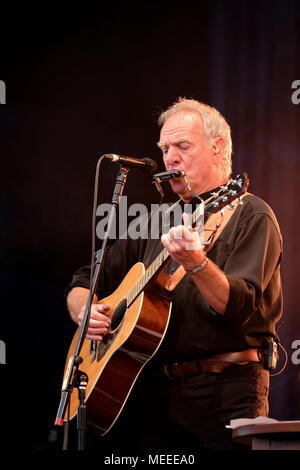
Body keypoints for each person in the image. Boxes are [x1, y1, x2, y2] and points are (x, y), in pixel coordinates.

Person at [65, 98, 283, 451]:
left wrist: (195, 262)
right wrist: (82, 309)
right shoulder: (154, 221)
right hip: (149, 399)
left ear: (218, 147)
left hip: (223, 396)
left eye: (183, 146)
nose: (170, 157)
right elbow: (86, 278)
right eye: (165, 148)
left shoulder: (250, 214)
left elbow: (239, 306)